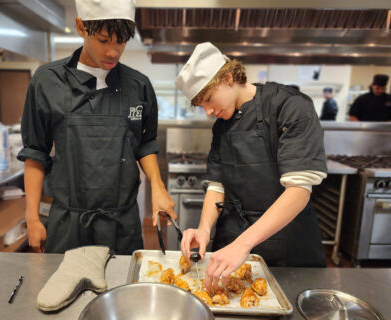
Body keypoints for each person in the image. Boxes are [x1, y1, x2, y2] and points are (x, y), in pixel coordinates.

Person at [18, 0, 176, 254]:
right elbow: (35, 152)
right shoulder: (47, 81)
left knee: (121, 292)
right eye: (104, 40)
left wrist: (158, 187)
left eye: (121, 42)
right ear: (81, 27)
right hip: (68, 223)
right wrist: (32, 218)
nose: (113, 52)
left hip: (121, 225)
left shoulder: (139, 86)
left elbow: (145, 144)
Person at [176, 43, 327, 291]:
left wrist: (242, 244)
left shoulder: (291, 106)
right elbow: (217, 185)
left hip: (287, 246)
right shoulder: (222, 126)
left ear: (227, 78)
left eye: (209, 100)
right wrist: (204, 229)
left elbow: (299, 190)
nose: (209, 111)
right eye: (201, 105)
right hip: (232, 240)